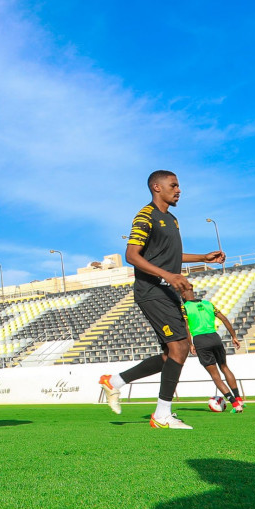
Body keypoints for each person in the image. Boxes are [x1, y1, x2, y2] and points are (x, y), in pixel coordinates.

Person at [99, 171, 225, 430]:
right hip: (151, 289)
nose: (179, 190)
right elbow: (131, 256)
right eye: (174, 185)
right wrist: (168, 274)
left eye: (179, 185)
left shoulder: (172, 219)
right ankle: (161, 415)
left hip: (167, 290)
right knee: (179, 348)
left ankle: (116, 382)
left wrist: (203, 257)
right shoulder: (145, 216)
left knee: (172, 354)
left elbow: (171, 254)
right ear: (157, 187)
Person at [181, 291, 244, 412]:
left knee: (215, 376)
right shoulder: (208, 304)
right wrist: (234, 336)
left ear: (183, 296)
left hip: (200, 340)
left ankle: (235, 404)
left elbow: (186, 327)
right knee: (224, 367)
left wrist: (190, 344)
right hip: (215, 337)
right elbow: (224, 319)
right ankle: (238, 398)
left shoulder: (185, 308)